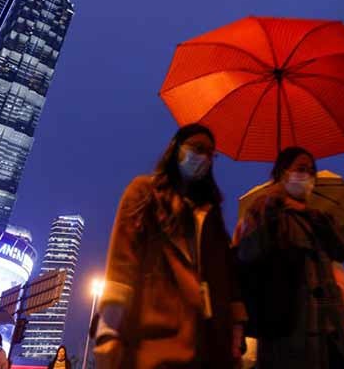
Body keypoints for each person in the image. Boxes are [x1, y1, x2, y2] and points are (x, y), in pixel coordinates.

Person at [93, 123, 247, 369]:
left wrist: (236, 335)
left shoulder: (211, 213)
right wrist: (108, 331)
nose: (204, 158)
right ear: (176, 149)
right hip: (154, 339)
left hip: (208, 342)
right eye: (198, 148)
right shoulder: (144, 192)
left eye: (211, 154)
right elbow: (122, 263)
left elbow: (227, 278)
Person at [234, 146, 344, 369]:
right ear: (283, 173)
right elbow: (247, 253)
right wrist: (272, 211)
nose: (307, 175)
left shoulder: (317, 214)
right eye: (301, 168)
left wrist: (316, 217)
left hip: (331, 325)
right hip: (290, 326)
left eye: (311, 170)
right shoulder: (264, 209)